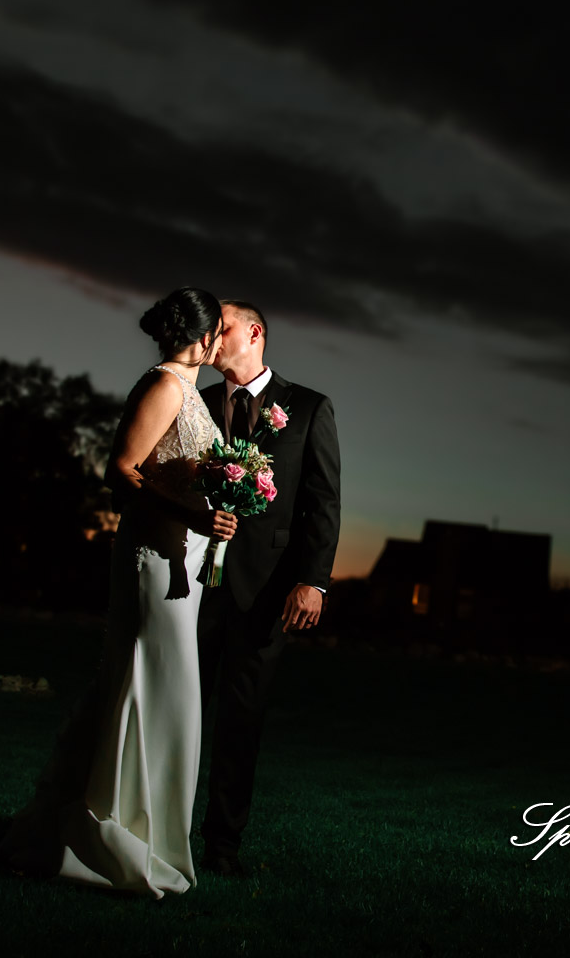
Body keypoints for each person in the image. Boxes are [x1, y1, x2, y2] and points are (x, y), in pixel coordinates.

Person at [0, 286, 238, 898]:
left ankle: (133, 832)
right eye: (220, 329)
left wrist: (222, 500)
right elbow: (121, 469)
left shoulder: (188, 389)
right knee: (145, 683)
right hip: (153, 558)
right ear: (205, 335)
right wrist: (191, 513)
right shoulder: (164, 385)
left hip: (184, 563)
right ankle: (109, 835)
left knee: (162, 688)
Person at [195, 300, 341, 876]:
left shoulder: (308, 408)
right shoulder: (196, 402)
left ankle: (222, 846)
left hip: (266, 591)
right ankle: (159, 829)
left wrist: (313, 581)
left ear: (253, 333)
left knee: (241, 720)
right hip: (191, 584)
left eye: (222, 329)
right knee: (179, 710)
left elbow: (322, 502)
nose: (211, 338)